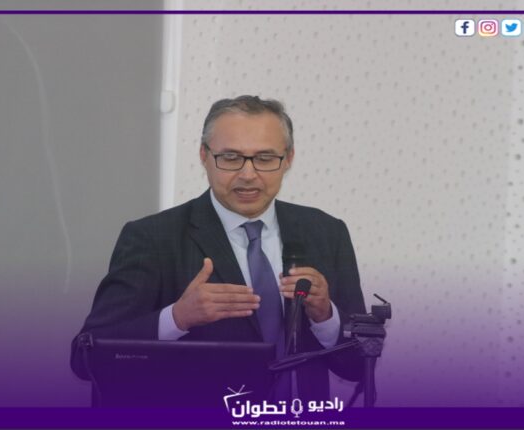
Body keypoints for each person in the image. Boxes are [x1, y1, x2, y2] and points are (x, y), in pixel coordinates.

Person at [70, 95, 366, 402]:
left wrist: (326, 316)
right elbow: (86, 357)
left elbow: (359, 364)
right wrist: (177, 318)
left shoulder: (326, 233)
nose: (248, 174)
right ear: (204, 155)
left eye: (265, 158)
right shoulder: (153, 238)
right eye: (230, 158)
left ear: (288, 158)